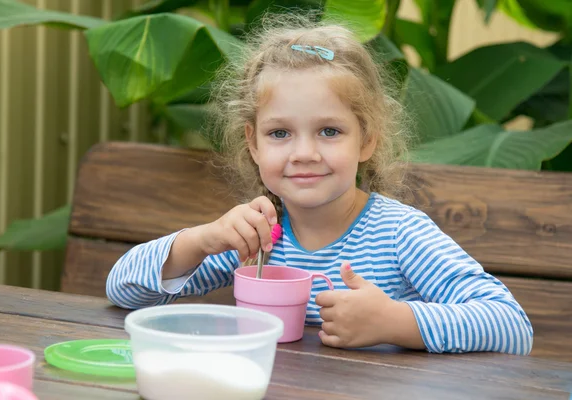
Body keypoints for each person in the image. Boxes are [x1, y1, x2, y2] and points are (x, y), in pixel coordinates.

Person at [106, 15, 533, 355]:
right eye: (279, 134)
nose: (304, 153)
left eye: (329, 131)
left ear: (367, 139)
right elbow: (121, 290)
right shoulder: (259, 237)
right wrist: (201, 240)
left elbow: (511, 326)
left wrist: (396, 322)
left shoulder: (399, 234)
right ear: (252, 144)